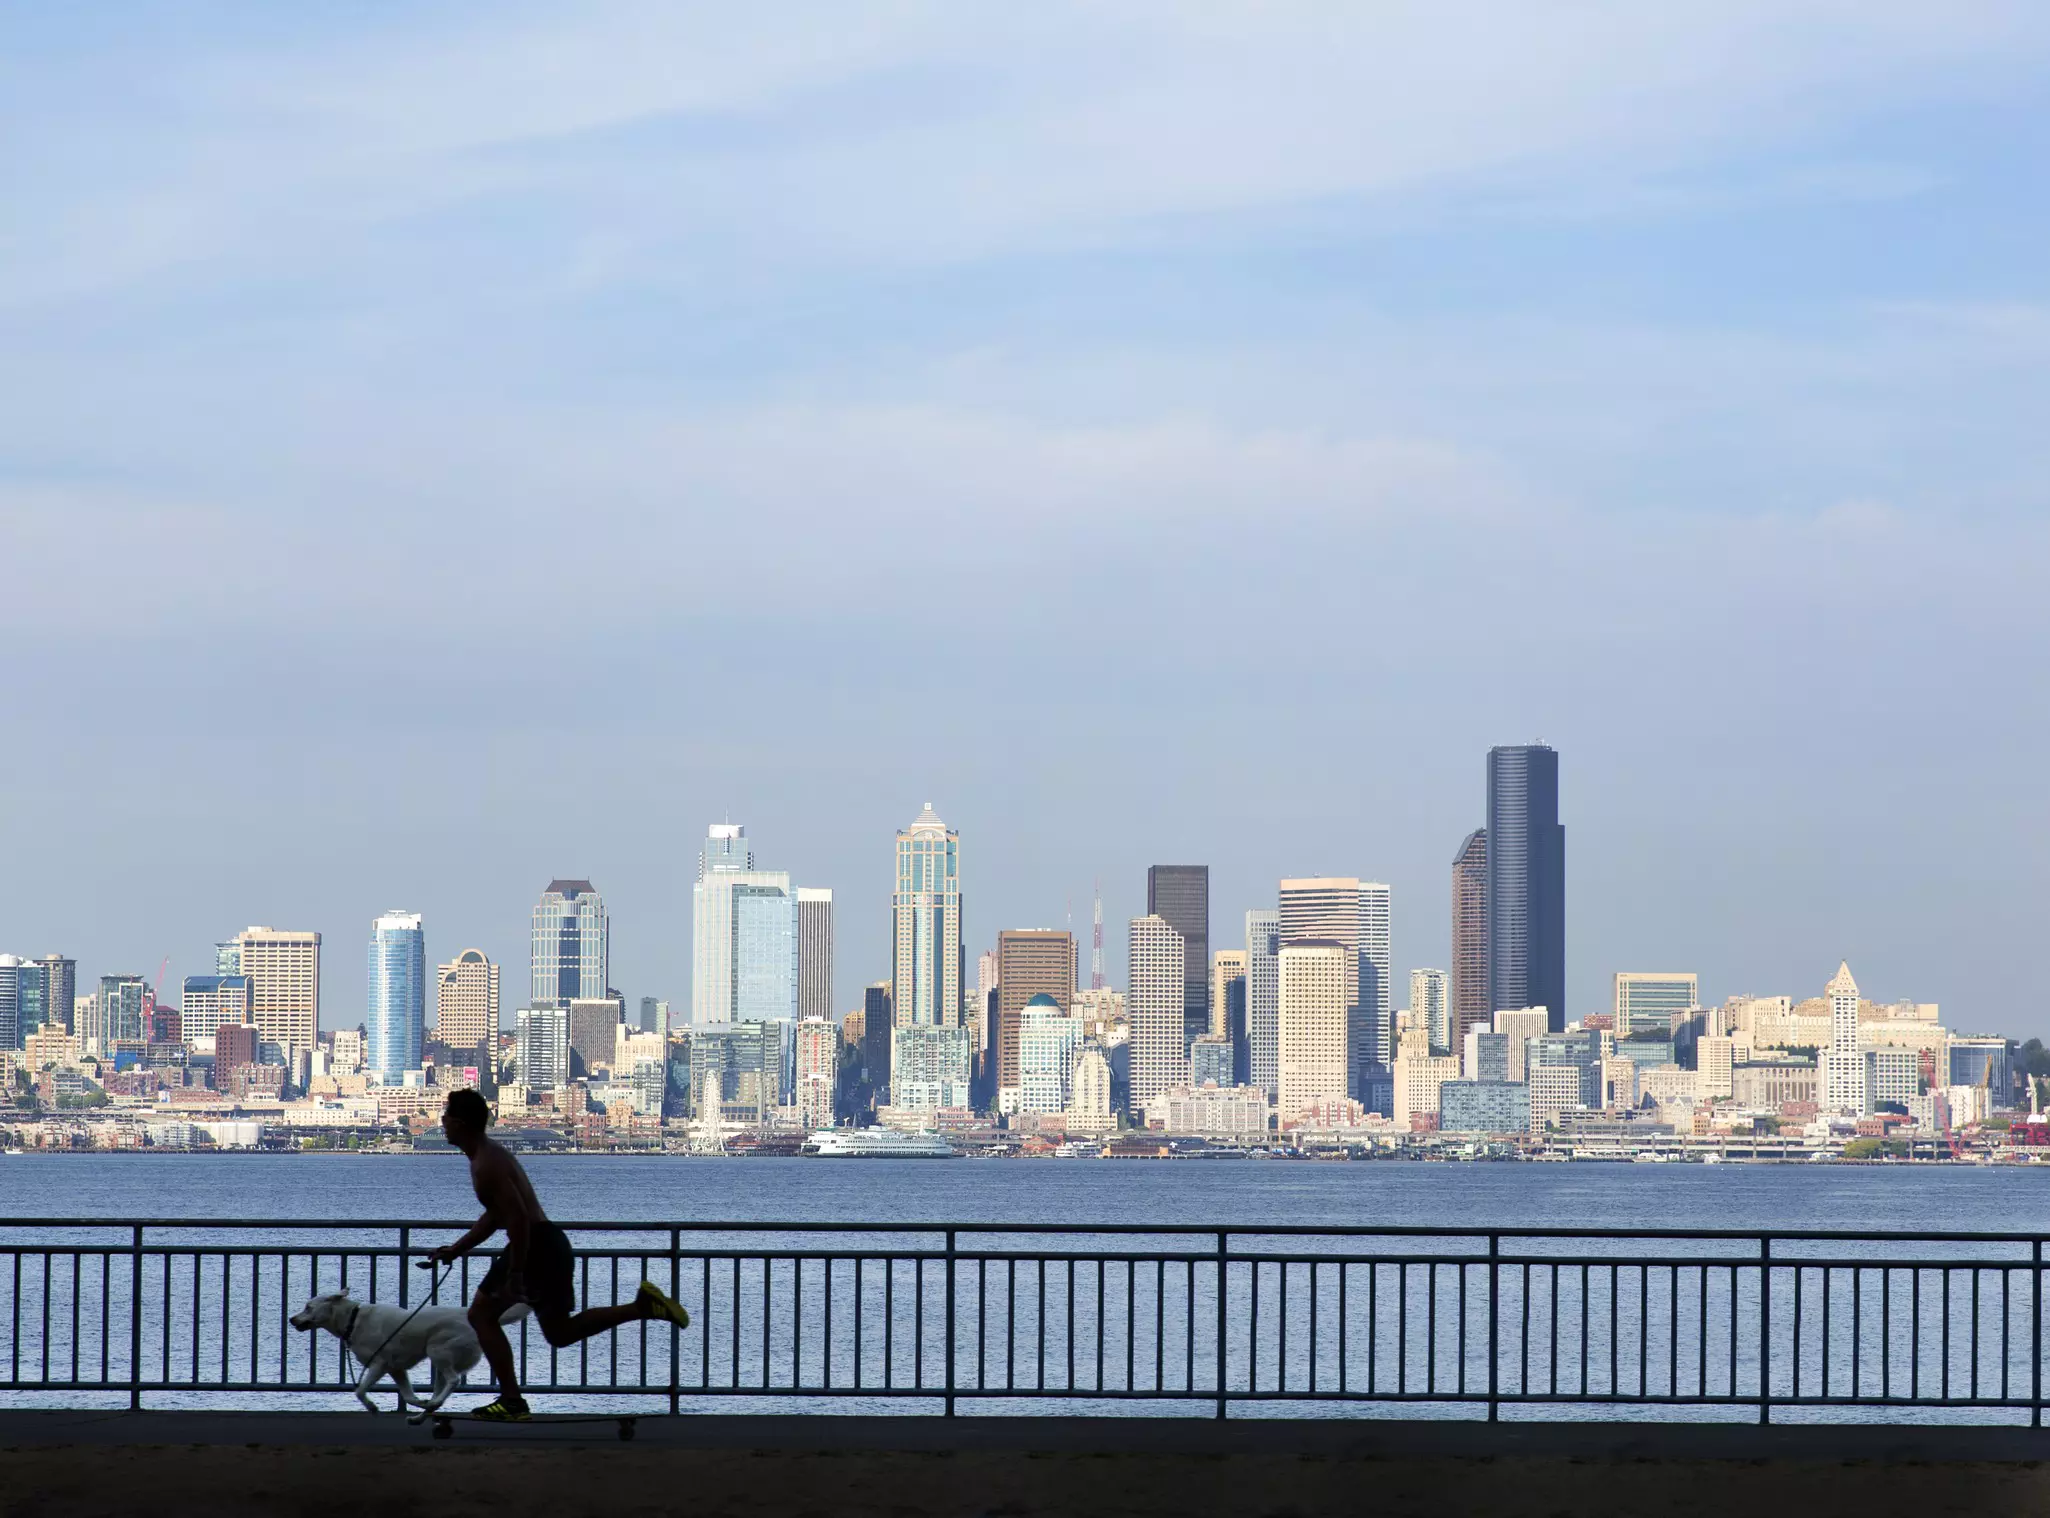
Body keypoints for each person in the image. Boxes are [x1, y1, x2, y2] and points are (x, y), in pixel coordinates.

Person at [429, 1088, 690, 1421]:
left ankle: (511, 1401)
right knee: (559, 1333)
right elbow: (496, 1215)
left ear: (461, 1123)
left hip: (534, 1245)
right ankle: (642, 1307)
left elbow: (519, 1220)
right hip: (547, 1244)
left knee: (481, 1316)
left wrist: (517, 1274)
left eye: (446, 1117)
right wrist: (457, 1249)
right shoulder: (486, 1157)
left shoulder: (486, 1165)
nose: (442, 1123)